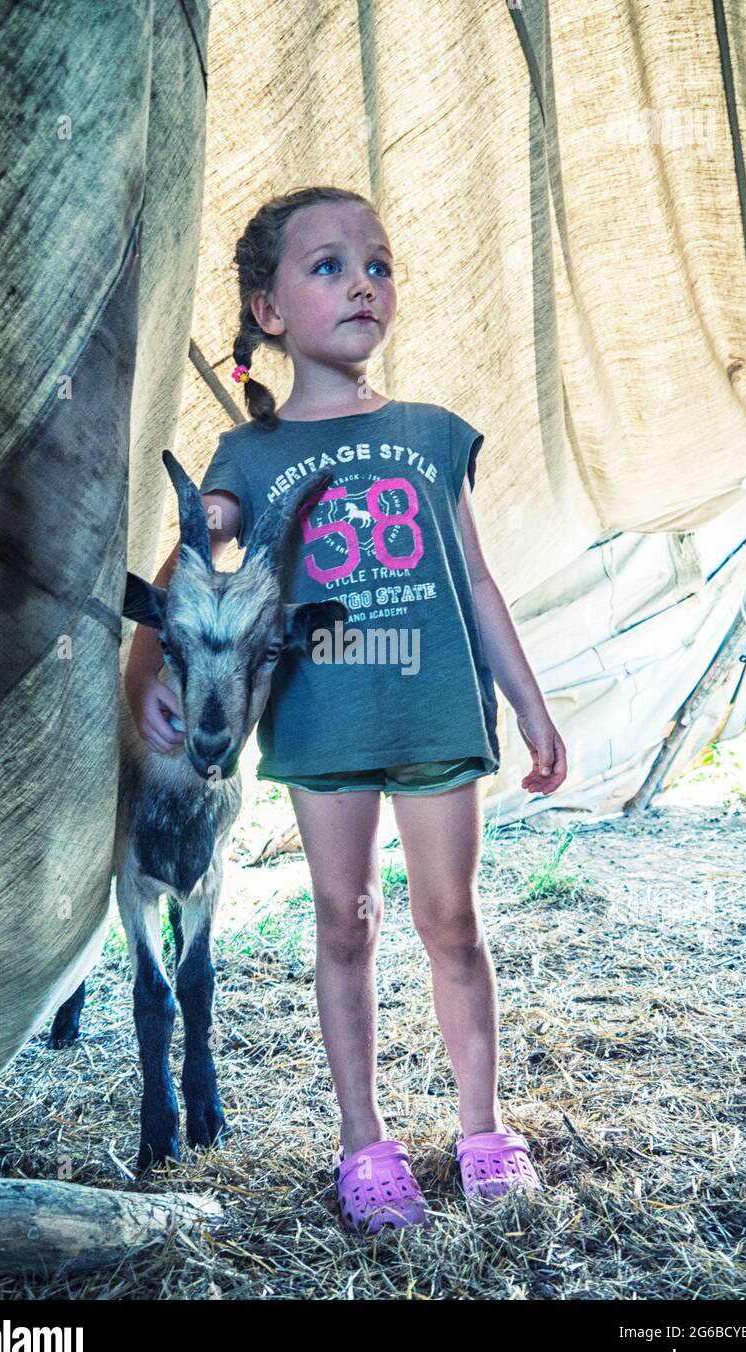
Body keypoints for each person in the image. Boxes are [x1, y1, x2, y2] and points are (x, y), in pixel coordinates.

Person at [125, 185, 568, 1235]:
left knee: (450, 920)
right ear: (267, 311)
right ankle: (364, 1143)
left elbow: (476, 580)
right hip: (322, 730)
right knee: (346, 922)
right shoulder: (249, 454)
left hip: (432, 717)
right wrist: (156, 676)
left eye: (377, 263)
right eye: (327, 266)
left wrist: (532, 707)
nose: (363, 281)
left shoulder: (427, 432)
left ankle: (480, 1128)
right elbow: (193, 553)